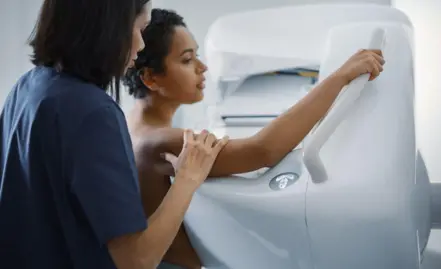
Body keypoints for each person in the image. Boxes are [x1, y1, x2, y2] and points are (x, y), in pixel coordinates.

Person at [123, 8, 386, 269]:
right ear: (150, 77)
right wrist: (340, 77)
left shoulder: (134, 130)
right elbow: (264, 150)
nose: (202, 68)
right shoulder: (158, 141)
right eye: (187, 60)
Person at [0, 1, 228, 268]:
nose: (141, 45)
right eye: (140, 29)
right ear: (110, 28)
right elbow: (136, 260)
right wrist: (187, 180)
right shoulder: (93, 113)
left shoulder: (27, 87)